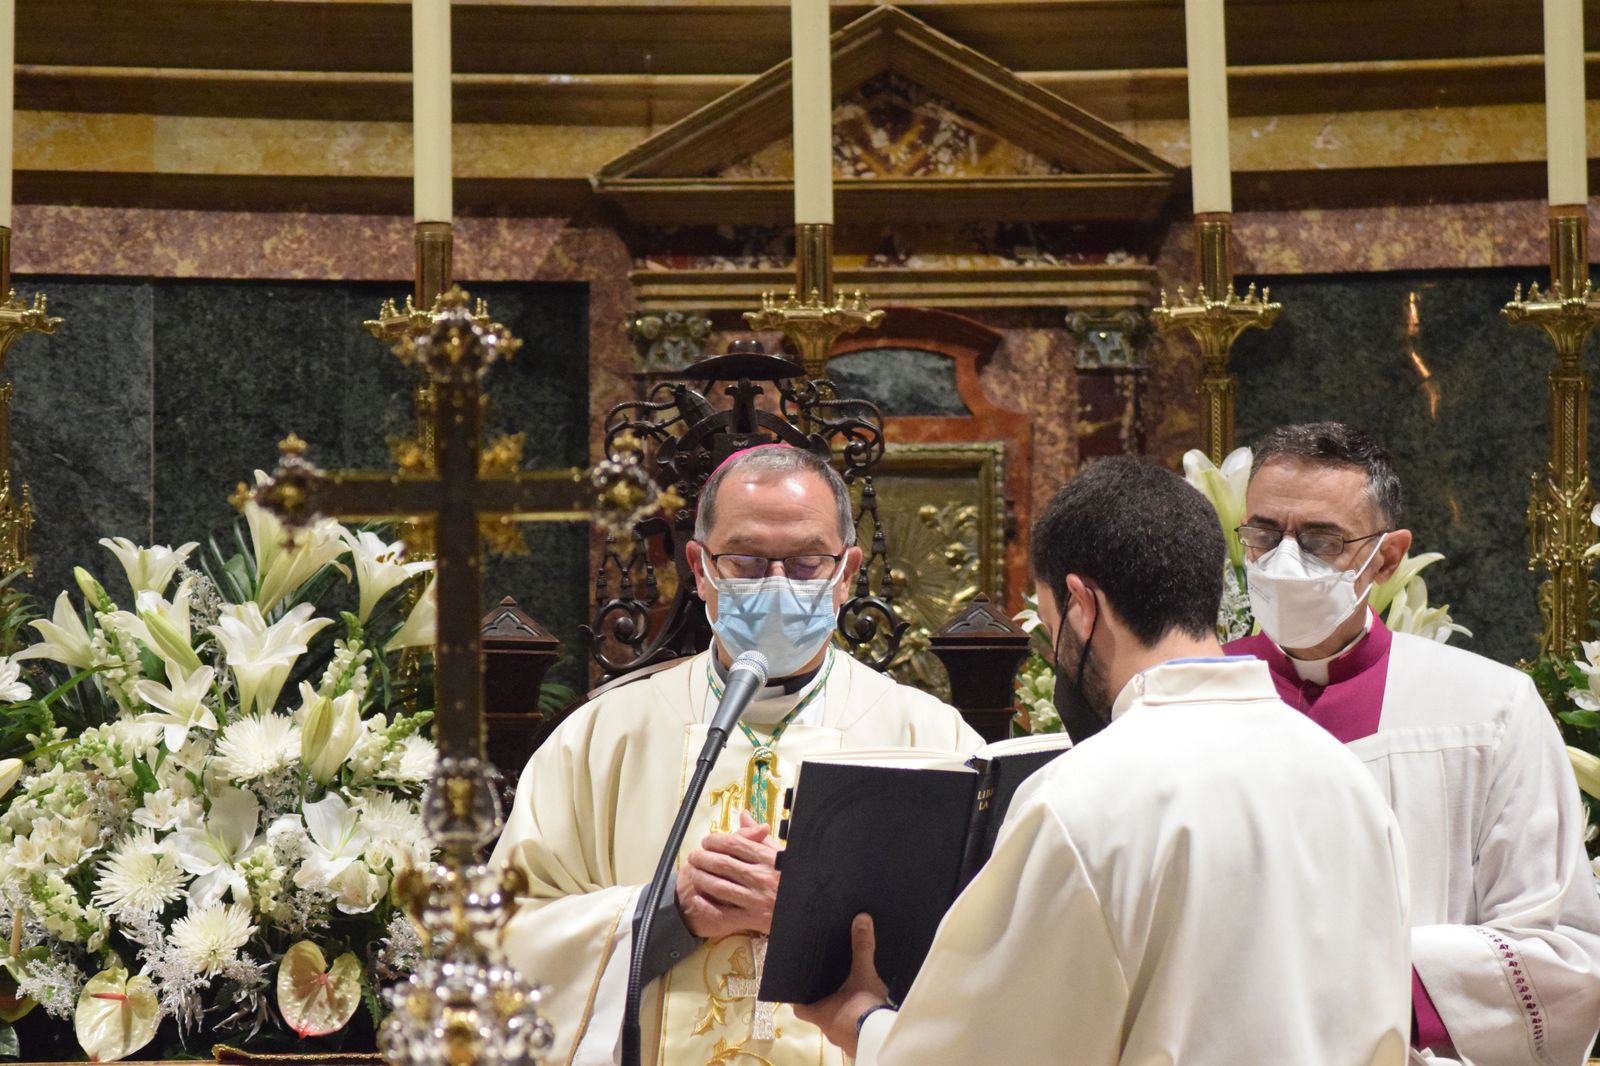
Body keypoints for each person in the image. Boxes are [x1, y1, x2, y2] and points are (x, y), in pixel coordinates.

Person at [796, 456, 1412, 1065]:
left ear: (1081, 604)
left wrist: (867, 1025)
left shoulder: (1083, 797)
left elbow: (997, 1053)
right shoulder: (1345, 777)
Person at [491, 444, 982, 1066]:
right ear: (699, 569)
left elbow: (988, 955)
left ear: (848, 572)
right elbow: (504, 943)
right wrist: (668, 912)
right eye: (746, 561)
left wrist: (812, 923)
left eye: (807, 563)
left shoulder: (934, 742)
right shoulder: (602, 737)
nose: (777, 585)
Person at [1223, 422, 1600, 1065]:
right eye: (1264, 535)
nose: (1285, 562)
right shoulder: (1188, 699)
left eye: (1320, 540)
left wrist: (1343, 992)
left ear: (1389, 557)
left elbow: (1561, 954)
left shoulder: (1489, 711)